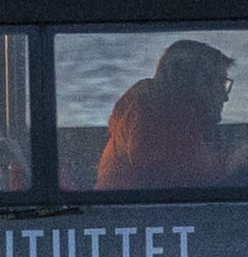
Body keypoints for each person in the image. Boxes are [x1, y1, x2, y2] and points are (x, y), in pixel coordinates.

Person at [92, 37, 240, 189]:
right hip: (129, 211)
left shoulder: (178, 118)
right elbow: (165, 179)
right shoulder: (154, 114)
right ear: (199, 82)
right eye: (222, 83)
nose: (225, 96)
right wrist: (228, 165)